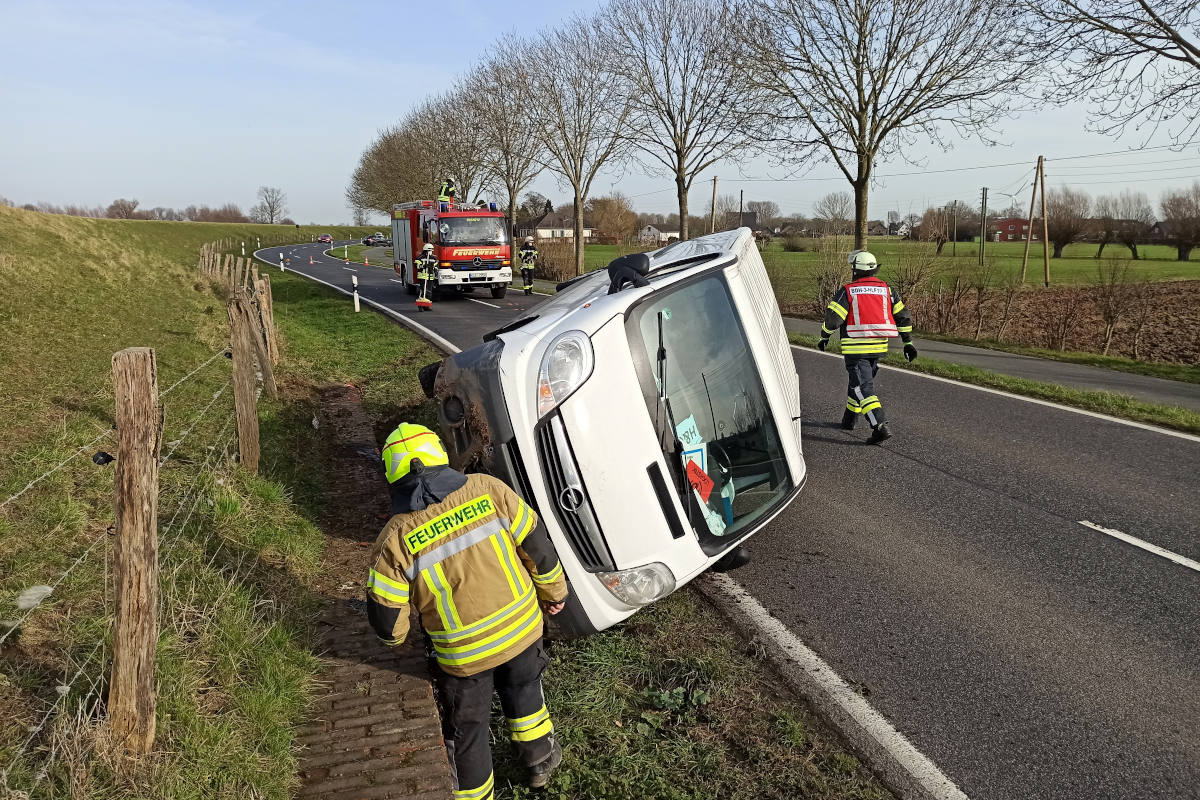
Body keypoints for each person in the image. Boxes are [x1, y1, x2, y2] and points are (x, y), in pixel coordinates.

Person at [366, 424, 569, 797]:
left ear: (393, 477)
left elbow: (388, 622)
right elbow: (537, 545)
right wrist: (554, 592)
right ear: (441, 457)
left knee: (469, 730)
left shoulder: (394, 538)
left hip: (464, 655)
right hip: (522, 630)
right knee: (525, 691)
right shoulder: (488, 489)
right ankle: (539, 759)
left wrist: (397, 638)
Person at [817, 249, 918, 444]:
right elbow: (903, 316)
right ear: (873, 270)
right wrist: (908, 343)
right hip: (878, 348)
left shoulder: (848, 291)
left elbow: (833, 319)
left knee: (862, 388)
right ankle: (849, 419)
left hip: (856, 349)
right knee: (857, 384)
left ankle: (879, 426)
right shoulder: (887, 290)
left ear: (855, 270)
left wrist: (824, 337)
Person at [415, 243, 436, 311]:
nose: (431, 252)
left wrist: (435, 269)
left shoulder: (433, 258)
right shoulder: (420, 258)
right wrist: (423, 266)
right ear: (426, 250)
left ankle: (426, 306)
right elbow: (416, 265)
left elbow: (435, 266)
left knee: (429, 291)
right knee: (423, 291)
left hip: (430, 277)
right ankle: (420, 305)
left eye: (431, 250)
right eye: (430, 250)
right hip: (423, 277)